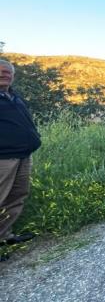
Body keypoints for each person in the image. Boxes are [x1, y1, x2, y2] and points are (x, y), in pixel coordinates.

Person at [0, 59, 41, 252]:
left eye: (8, 72)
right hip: (3, 158)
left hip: (23, 156)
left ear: (13, 77)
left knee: (16, 196)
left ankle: (5, 236)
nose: (4, 75)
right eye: (1, 71)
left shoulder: (13, 97)